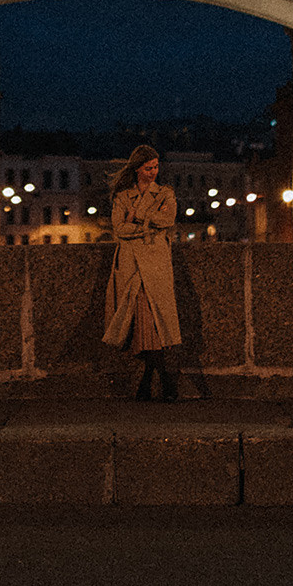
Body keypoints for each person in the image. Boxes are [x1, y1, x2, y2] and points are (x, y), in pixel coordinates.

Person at [102, 144, 181, 400]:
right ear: (137, 168)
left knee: (155, 324)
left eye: (156, 167)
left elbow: (168, 221)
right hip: (133, 265)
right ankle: (161, 382)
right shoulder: (123, 196)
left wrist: (138, 217)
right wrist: (148, 225)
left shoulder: (165, 193)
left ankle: (153, 384)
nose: (154, 172)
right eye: (148, 168)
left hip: (156, 264)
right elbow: (119, 229)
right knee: (144, 324)